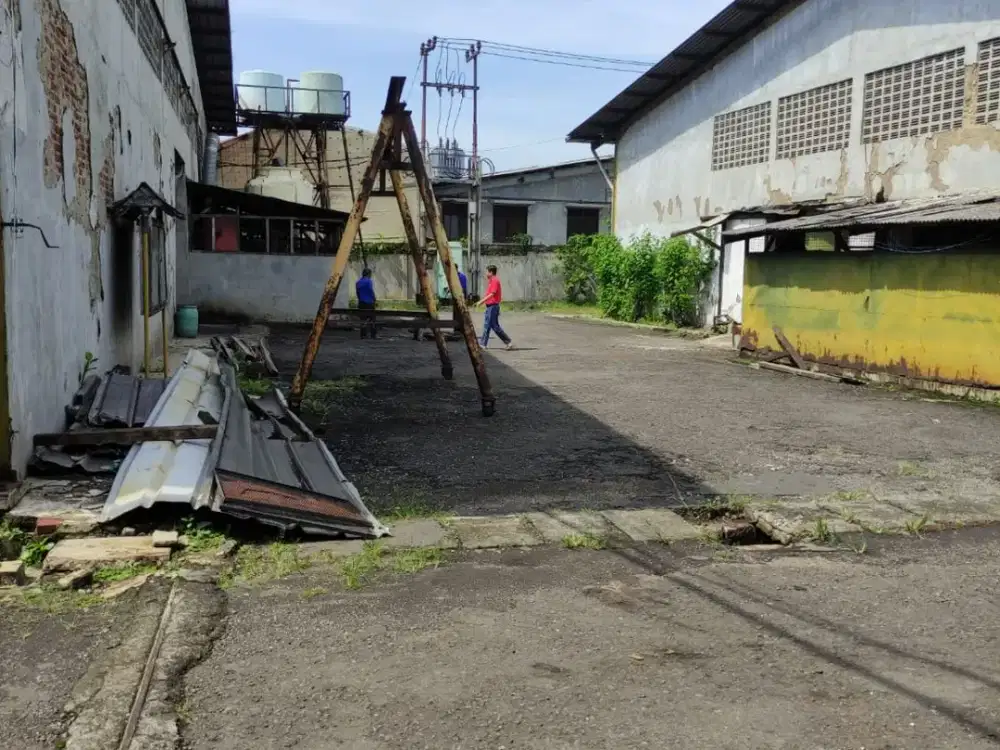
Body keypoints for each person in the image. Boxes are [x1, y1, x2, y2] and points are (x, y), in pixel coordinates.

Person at [476, 265, 513, 350]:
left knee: (493, 326)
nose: (486, 273)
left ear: (491, 272)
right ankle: (483, 344)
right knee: (488, 325)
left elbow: (492, 294)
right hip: (490, 306)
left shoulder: (495, 281)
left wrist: (481, 301)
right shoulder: (491, 281)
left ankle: (508, 341)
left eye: (487, 272)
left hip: (493, 306)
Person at [355, 267, 377, 339]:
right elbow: (370, 291)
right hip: (369, 303)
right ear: (369, 274)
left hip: (361, 303)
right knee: (372, 319)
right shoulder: (369, 281)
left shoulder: (358, 282)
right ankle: (373, 335)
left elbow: (357, 293)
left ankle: (363, 335)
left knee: (363, 319)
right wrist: (374, 298)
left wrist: (360, 299)